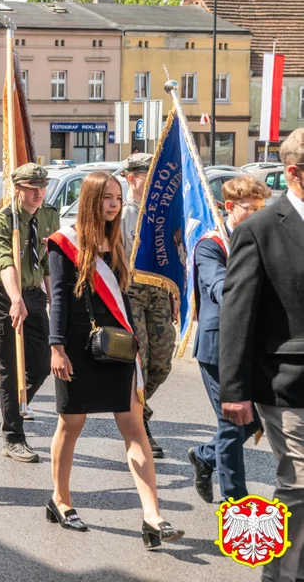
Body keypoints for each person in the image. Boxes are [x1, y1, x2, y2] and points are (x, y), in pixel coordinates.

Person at [45, 171, 182, 548]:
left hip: (119, 344)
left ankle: (152, 515)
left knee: (134, 426)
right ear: (91, 199)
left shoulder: (118, 241)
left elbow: (125, 294)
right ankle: (60, 499)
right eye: (107, 197)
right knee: (71, 424)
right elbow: (57, 298)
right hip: (76, 345)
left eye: (118, 197)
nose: (114, 204)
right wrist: (56, 348)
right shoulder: (63, 244)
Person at [221, 126, 304, 582]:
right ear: (294, 173)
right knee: (299, 485)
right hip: (287, 382)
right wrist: (234, 391)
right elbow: (237, 313)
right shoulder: (260, 230)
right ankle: (279, 577)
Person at [188, 175, 269, 505]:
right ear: (231, 207)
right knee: (233, 424)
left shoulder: (261, 239)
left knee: (258, 419)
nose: (260, 215)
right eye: (252, 209)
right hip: (218, 346)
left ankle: (206, 456)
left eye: (263, 208)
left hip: (252, 345)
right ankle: (237, 504)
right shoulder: (211, 244)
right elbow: (218, 288)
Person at [0, 163, 58, 463]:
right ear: (18, 189)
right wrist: (16, 299)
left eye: (42, 187)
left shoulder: (49, 215)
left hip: (34, 294)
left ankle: (7, 393)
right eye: (32, 188)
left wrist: (55, 300)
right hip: (5, 295)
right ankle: (13, 437)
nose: (39, 193)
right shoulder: (3, 220)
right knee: (10, 369)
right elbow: (4, 262)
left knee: (41, 366)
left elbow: (50, 261)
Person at [120, 152, 176, 458]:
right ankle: (139, 422)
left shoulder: (162, 213)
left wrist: (175, 293)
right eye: (148, 176)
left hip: (158, 290)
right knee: (138, 359)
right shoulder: (122, 213)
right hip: (129, 290)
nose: (156, 183)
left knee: (162, 360)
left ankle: (135, 407)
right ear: (133, 179)